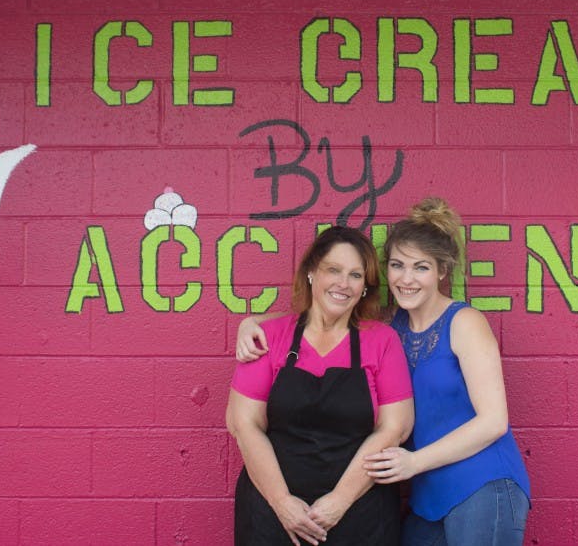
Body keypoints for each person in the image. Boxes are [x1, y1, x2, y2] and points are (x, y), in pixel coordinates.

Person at [236, 199, 531, 546]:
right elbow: (323, 313)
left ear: (441, 271)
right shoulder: (397, 325)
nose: (406, 279)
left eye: (420, 268)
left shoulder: (465, 323)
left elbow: (494, 421)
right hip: (429, 494)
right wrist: (251, 322)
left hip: (482, 483)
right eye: (397, 265)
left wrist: (414, 462)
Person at [227, 225, 414, 546]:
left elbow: (394, 428)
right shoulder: (268, 337)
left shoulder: (382, 341)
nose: (344, 283)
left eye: (356, 275)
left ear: (365, 287)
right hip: (273, 517)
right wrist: (282, 502)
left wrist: (339, 500)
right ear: (312, 272)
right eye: (333, 270)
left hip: (360, 515)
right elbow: (243, 423)